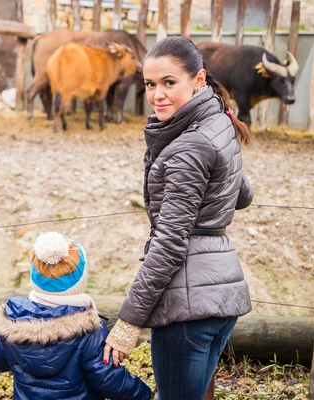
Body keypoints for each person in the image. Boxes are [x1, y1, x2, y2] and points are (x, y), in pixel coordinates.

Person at [102, 36, 254, 400]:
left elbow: (169, 244)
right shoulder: (217, 122)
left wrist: (128, 321)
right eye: (150, 85)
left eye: (170, 83)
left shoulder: (189, 145)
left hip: (186, 308)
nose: (158, 95)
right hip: (220, 295)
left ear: (198, 80)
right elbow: (243, 195)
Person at [0, 231, 152, 400]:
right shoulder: (89, 331)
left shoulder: (12, 321)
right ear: (80, 280)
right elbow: (107, 378)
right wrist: (142, 392)